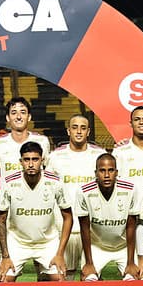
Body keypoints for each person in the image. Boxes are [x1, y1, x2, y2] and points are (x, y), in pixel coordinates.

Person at [0, 141, 70, 282]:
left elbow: (68, 217)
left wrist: (60, 253)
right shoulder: (9, 183)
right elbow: (0, 219)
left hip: (47, 242)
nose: (31, 164)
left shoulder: (55, 182)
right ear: (21, 161)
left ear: (42, 160)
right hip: (17, 242)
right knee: (4, 280)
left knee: (60, 280)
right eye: (27, 160)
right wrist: (5, 257)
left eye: (35, 159)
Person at [47, 114, 106, 276]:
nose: (78, 131)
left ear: (88, 132)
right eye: (74, 127)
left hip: (92, 228)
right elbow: (48, 190)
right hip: (63, 227)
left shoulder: (99, 155)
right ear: (68, 131)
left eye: (83, 128)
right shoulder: (55, 157)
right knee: (63, 276)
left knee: (91, 276)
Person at [68, 153, 141, 281]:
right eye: (102, 171)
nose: (106, 175)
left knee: (133, 279)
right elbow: (84, 229)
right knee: (88, 279)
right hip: (97, 246)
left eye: (110, 170)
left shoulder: (130, 190)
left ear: (117, 172)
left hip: (123, 246)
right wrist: (89, 263)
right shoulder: (84, 192)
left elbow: (131, 226)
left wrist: (130, 262)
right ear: (96, 173)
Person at [0, 97, 50, 182]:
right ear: (7, 118)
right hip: (9, 195)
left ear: (29, 117)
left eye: (23, 112)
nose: (18, 117)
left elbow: (49, 171)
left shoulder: (42, 141)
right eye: (14, 113)